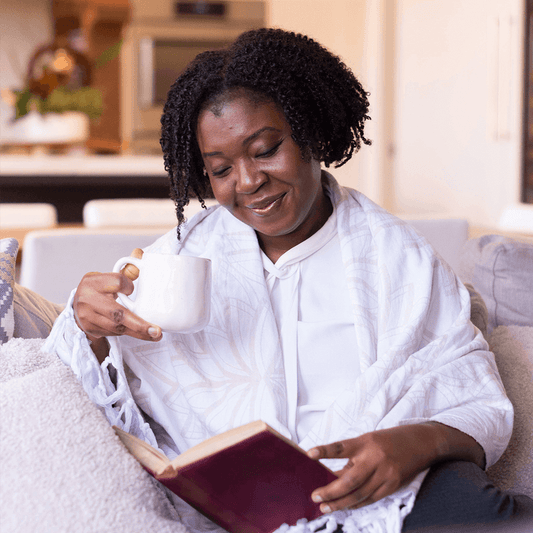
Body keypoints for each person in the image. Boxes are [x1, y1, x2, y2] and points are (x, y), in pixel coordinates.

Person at [44, 28, 532, 533]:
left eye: (266, 148)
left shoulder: (395, 257)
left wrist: (417, 442)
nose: (249, 181)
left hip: (390, 493)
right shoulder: (176, 260)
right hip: (233, 506)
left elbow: (474, 395)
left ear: (312, 132)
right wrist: (92, 332)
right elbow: (103, 395)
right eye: (221, 168)